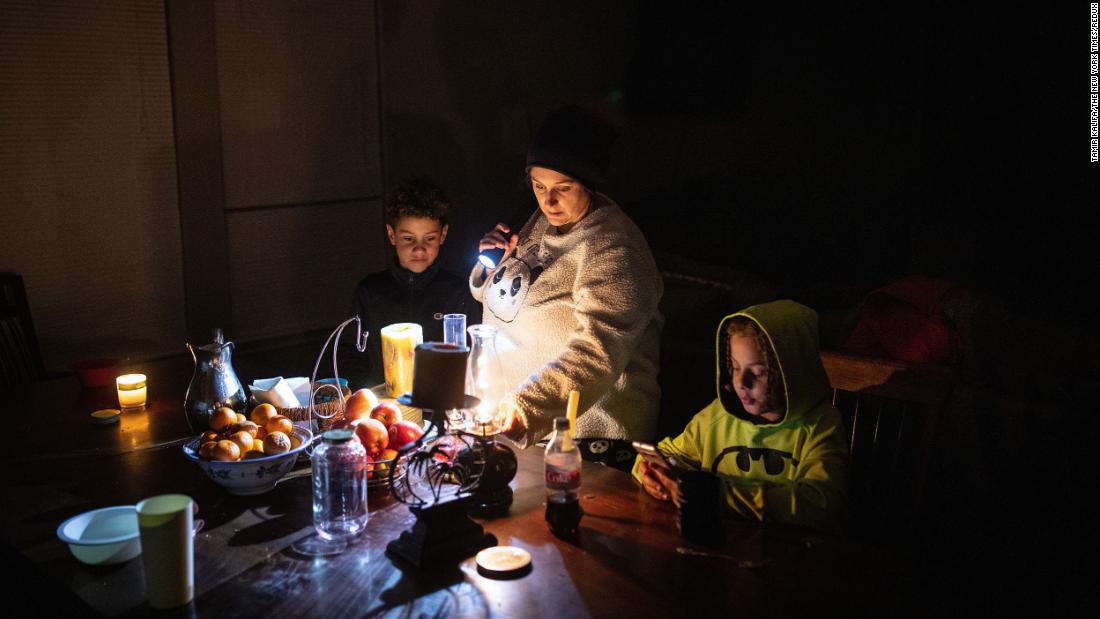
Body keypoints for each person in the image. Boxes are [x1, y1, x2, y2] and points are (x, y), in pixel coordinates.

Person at [471, 105, 663, 471]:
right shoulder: (541, 222)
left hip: (588, 445)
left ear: (588, 183)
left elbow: (595, 352)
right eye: (539, 186)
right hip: (520, 433)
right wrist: (489, 266)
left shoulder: (613, 249)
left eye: (563, 188)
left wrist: (523, 410)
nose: (548, 201)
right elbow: (512, 300)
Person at [634, 300, 849, 535]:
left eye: (759, 372)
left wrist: (716, 496)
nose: (741, 383)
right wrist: (652, 474)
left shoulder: (820, 425)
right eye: (735, 368)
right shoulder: (717, 416)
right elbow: (670, 455)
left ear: (792, 371)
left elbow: (820, 502)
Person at [340, 179, 480, 390]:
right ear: (391, 235)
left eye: (429, 239)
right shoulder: (370, 291)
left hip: (440, 406)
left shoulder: (458, 291)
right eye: (408, 239)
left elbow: (473, 354)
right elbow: (350, 353)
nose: (419, 249)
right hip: (384, 408)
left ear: (443, 235)